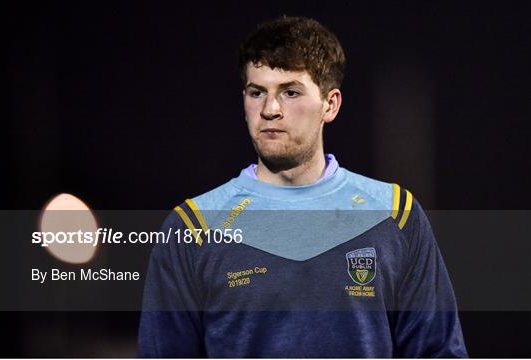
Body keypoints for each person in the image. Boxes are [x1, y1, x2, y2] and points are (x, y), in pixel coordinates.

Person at [138, 16, 468, 357]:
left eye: (290, 92)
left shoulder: (394, 214)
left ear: (331, 104)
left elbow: (438, 351)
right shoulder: (194, 227)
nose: (270, 109)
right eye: (257, 92)